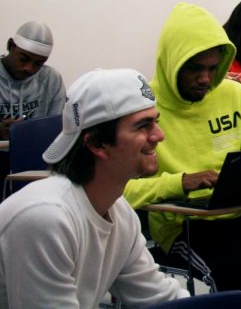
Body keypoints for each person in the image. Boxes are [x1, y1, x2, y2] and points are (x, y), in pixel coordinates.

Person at [123, 2, 241, 301]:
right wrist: (180, 182)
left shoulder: (234, 94)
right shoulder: (142, 109)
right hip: (184, 224)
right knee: (229, 271)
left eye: (213, 69)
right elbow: (121, 192)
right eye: (195, 69)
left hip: (240, 213)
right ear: (172, 62)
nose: (205, 79)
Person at [0, 68, 188, 307]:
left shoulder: (119, 212)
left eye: (156, 122)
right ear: (98, 144)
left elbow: (162, 300)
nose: (159, 135)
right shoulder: (44, 218)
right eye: (143, 126)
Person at [0, 21, 66, 140]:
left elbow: (54, 131)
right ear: (11, 45)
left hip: (34, 154)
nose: (29, 69)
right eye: (23, 59)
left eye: (39, 64)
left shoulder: (50, 79)